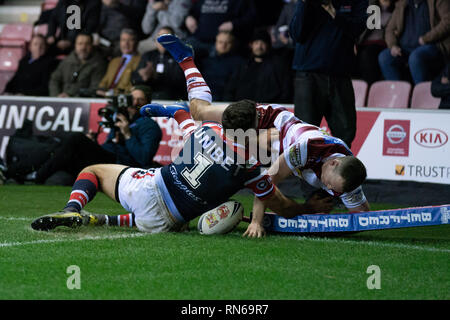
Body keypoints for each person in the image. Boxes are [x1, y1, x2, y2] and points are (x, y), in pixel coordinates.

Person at [140, 34, 371, 237]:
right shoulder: (308, 147)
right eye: (329, 182)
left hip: (273, 145)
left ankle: (180, 115)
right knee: (201, 113)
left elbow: (363, 217)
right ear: (333, 162)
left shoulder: (346, 178)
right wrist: (257, 221)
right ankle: (186, 61)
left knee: (229, 152)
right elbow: (268, 180)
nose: (328, 187)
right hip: (269, 122)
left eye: (334, 189)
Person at [31, 97, 332, 234]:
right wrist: (309, 207)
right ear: (252, 129)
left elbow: (179, 112)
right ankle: (104, 221)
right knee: (156, 217)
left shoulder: (203, 131)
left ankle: (73, 210)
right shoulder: (251, 168)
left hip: (148, 190)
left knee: (93, 171)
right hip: (168, 224)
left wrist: (152, 109)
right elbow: (281, 206)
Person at [28, 85, 162, 185]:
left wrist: (127, 135)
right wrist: (93, 142)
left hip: (120, 166)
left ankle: (37, 176)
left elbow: (144, 158)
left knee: (76, 138)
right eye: (132, 98)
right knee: (61, 144)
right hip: (107, 160)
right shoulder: (121, 118)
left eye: (140, 100)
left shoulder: (150, 126)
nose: (135, 103)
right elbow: (110, 145)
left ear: (148, 103)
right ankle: (23, 171)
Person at [289, 0, 368, 148]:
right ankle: (306, 171)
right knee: (304, 136)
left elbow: (358, 29)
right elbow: (296, 34)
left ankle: (341, 170)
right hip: (308, 75)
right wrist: (304, 4)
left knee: (345, 134)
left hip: (340, 75)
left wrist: (333, 11)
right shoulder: (306, 3)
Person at [379, 0, 449, 84]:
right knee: (385, 57)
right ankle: (401, 93)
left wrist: (427, 38)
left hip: (432, 45)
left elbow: (448, 21)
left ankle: (422, 94)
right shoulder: (402, 3)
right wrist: (393, 45)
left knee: (415, 57)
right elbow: (389, 29)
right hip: (405, 49)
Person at [223, 28, 292, 103]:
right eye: (256, 43)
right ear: (251, 45)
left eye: (263, 43)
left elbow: (286, 91)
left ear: (268, 45)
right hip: (244, 110)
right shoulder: (243, 66)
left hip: (269, 110)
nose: (259, 46)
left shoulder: (278, 66)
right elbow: (230, 90)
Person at [131, 26, 187, 100]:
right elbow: (134, 79)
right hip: (150, 97)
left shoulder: (180, 57)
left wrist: (155, 76)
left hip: (173, 98)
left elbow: (180, 82)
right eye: (159, 36)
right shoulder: (148, 56)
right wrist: (143, 77)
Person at [184, 0, 257, 55]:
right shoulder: (202, 1)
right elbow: (192, 12)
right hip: (198, 39)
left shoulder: (239, 1)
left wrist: (233, 24)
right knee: (181, 52)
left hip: (220, 43)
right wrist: (189, 18)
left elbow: (251, 17)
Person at [49, 33, 107, 97]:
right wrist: (56, 96)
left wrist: (70, 94)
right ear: (75, 45)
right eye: (80, 44)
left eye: (87, 44)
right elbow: (54, 79)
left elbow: (95, 89)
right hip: (61, 102)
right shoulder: (67, 61)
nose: (83, 47)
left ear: (91, 45)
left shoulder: (99, 64)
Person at [198, 30, 245, 101]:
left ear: (233, 44)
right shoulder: (205, 61)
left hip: (225, 102)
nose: (223, 45)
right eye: (220, 42)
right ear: (215, 43)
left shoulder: (239, 63)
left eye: (227, 42)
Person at [355, 0, 394, 85]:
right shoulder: (371, 7)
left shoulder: (396, 9)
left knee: (367, 55)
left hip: (381, 44)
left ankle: (369, 88)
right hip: (363, 43)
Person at [97, 29, 141, 96]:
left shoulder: (140, 60)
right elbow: (104, 82)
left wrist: (111, 93)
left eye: (130, 40)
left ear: (136, 43)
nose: (126, 44)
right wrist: (100, 90)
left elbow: (132, 87)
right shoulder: (114, 61)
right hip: (105, 97)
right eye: (123, 40)